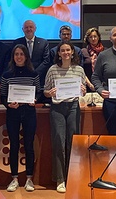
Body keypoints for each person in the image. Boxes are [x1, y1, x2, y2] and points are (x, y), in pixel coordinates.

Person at [44, 40, 86, 193]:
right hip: (57, 108)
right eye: (63, 50)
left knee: (74, 142)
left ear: (73, 52)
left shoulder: (79, 70)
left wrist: (83, 90)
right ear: (59, 53)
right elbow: (45, 91)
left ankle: (73, 176)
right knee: (59, 142)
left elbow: (83, 92)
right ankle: (60, 179)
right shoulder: (52, 70)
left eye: (68, 50)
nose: (66, 53)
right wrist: (50, 93)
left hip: (73, 106)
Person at [0, 44, 40, 192]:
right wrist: (8, 104)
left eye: (21, 54)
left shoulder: (33, 74)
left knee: (29, 145)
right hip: (13, 113)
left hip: (29, 111)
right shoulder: (6, 75)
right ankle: (14, 179)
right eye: (16, 54)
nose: (19, 57)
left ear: (26, 56)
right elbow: (3, 96)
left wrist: (34, 100)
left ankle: (29, 179)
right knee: (14, 146)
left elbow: (38, 93)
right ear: (13, 57)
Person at [12, 20, 50, 94]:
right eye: (26, 27)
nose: (29, 29)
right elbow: (14, 59)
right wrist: (26, 73)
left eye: (31, 27)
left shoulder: (43, 42)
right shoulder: (17, 42)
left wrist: (34, 73)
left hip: (39, 77)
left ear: (35, 28)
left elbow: (46, 61)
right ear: (22, 29)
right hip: (22, 77)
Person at [81, 27, 105, 92]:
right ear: (88, 39)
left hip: (103, 85)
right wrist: (90, 85)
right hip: (88, 85)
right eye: (90, 37)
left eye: (95, 36)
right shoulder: (83, 51)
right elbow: (81, 71)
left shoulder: (105, 51)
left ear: (98, 37)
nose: (93, 39)